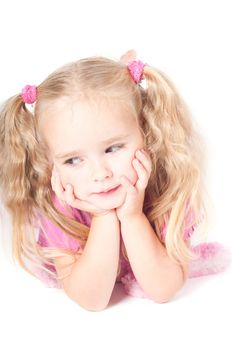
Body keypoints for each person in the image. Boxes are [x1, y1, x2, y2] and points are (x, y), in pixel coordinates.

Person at [0, 50, 230, 311]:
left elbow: (163, 290)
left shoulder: (166, 190)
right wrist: (103, 216)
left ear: (147, 131)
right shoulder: (62, 207)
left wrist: (132, 217)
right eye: (73, 160)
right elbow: (93, 301)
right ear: (51, 163)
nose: (100, 174)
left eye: (113, 148)